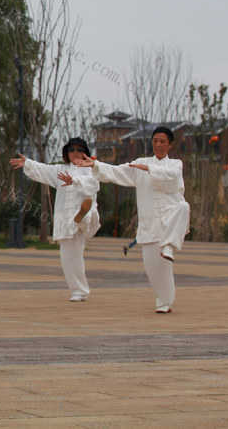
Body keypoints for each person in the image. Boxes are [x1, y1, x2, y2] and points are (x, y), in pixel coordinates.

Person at [75, 126, 190, 313]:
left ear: (170, 145)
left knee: (184, 206)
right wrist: (96, 165)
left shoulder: (175, 164)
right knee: (155, 270)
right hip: (149, 225)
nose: (158, 145)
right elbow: (119, 172)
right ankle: (164, 302)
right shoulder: (140, 164)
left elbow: (172, 178)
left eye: (162, 141)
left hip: (170, 221)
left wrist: (150, 169)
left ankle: (170, 245)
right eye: (155, 141)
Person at [10, 137, 101, 302]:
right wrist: (28, 163)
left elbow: (94, 185)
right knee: (69, 258)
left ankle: (82, 216)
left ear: (85, 152)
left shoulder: (90, 169)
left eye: (79, 150)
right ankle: (78, 292)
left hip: (90, 219)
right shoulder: (60, 169)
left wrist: (74, 180)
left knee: (87, 217)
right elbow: (44, 170)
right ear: (67, 152)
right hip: (66, 221)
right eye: (71, 149)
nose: (75, 152)